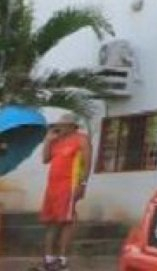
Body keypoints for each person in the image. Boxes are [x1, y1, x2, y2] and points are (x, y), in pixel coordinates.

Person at [34, 113, 91, 271]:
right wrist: (48, 140)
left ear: (72, 126)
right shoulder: (57, 140)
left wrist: (83, 183)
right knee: (51, 222)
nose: (59, 128)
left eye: (63, 125)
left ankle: (63, 260)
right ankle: (49, 260)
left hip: (69, 185)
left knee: (66, 221)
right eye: (58, 125)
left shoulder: (81, 139)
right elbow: (45, 159)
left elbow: (87, 163)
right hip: (53, 186)